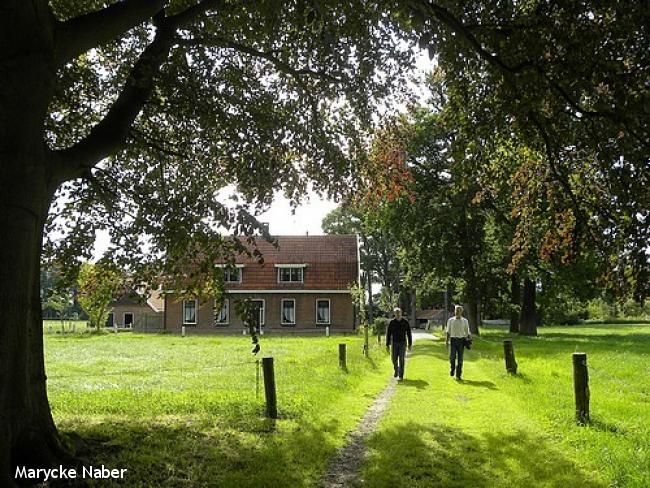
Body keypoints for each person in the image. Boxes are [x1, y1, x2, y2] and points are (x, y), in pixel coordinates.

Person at [386, 307, 413, 381]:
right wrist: (387, 344)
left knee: (401, 359)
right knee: (394, 359)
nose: (398, 315)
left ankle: (401, 375)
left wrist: (410, 344)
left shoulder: (405, 322)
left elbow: (409, 333)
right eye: (396, 314)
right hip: (394, 343)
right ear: (394, 314)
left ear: (401, 313)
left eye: (399, 313)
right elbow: (388, 334)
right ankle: (396, 370)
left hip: (402, 343)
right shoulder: (392, 323)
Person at [445, 305, 471, 380]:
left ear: (461, 312)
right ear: (454, 311)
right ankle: (452, 368)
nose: (457, 312)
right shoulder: (450, 320)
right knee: (452, 358)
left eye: (459, 310)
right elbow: (447, 332)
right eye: (456, 310)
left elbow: (467, 331)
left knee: (460, 360)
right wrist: (446, 341)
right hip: (453, 340)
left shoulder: (465, 321)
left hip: (461, 341)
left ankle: (458, 375)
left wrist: (469, 338)